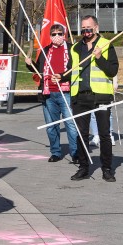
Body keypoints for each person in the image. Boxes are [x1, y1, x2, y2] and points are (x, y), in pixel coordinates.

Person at [70, 15, 119, 182]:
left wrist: (99, 58)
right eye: (83, 29)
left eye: (89, 28)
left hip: (101, 97)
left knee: (104, 134)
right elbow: (71, 71)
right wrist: (60, 77)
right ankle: (83, 168)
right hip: (80, 97)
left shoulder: (106, 45)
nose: (86, 31)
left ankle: (107, 169)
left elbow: (112, 71)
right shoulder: (75, 48)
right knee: (81, 135)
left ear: (96, 28)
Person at [24, 25, 79, 163]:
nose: (57, 36)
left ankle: (76, 153)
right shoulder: (45, 51)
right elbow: (38, 71)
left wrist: (62, 77)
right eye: (53, 34)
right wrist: (30, 64)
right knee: (51, 125)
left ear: (64, 34)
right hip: (49, 94)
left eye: (59, 33)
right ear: (50, 36)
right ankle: (55, 152)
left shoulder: (73, 49)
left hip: (67, 92)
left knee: (71, 125)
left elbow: (77, 70)